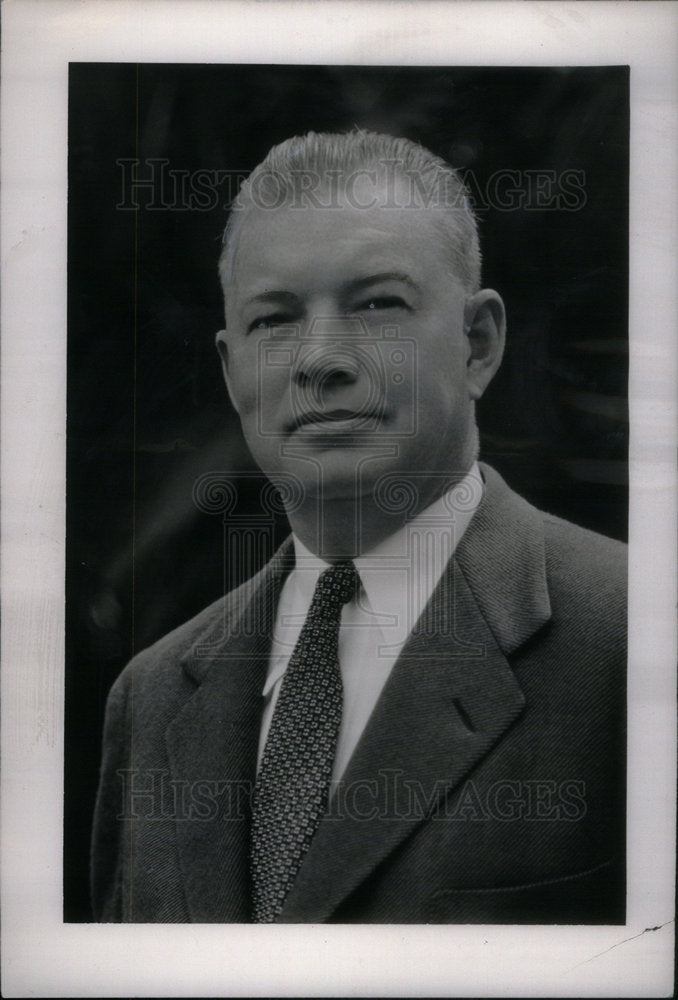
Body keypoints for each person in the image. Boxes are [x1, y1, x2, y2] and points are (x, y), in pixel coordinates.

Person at [91, 131, 626, 923]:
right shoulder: (151, 697)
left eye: (377, 304)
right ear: (231, 367)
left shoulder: (635, 637)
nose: (322, 359)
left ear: (478, 344)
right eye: (273, 320)